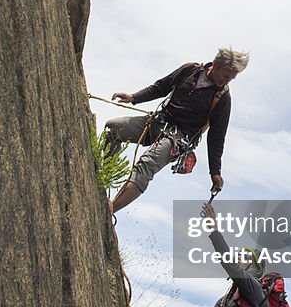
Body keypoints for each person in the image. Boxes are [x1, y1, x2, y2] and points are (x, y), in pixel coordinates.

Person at [105, 47, 249, 212]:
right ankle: (105, 180)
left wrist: (215, 172)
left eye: (231, 78)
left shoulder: (222, 98)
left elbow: (216, 138)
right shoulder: (190, 70)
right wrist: (134, 97)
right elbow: (161, 87)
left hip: (178, 138)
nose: (227, 81)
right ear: (215, 65)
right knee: (113, 128)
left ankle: (109, 210)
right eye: (225, 75)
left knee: (147, 164)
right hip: (158, 122)